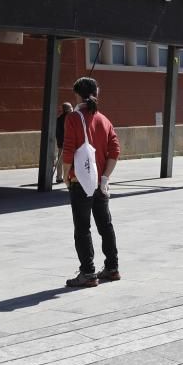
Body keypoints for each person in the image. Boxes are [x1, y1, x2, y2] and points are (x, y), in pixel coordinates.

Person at [61, 77, 122, 287]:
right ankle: (112, 268)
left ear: (77, 94)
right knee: (105, 226)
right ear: (96, 93)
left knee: (82, 228)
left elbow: (68, 151)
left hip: (80, 182)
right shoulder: (104, 120)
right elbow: (115, 151)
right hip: (99, 183)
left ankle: (87, 273)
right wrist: (105, 178)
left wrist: (64, 176)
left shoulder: (73, 118)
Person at [54, 102, 72, 183]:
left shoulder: (59, 118)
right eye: (71, 107)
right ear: (68, 109)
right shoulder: (70, 118)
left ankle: (59, 177)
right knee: (70, 159)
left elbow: (57, 132)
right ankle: (69, 176)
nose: (72, 108)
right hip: (68, 142)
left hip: (61, 142)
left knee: (60, 160)